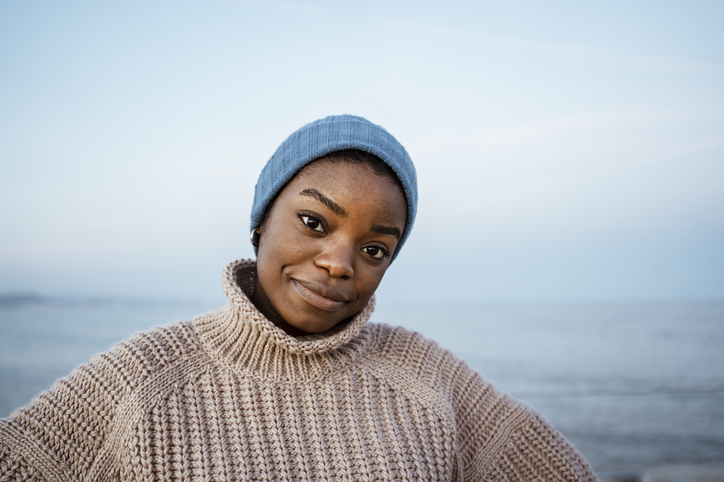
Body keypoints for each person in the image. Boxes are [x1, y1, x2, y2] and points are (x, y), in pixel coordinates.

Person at [0, 115, 598, 481]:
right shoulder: (145, 380)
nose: (339, 261)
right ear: (261, 221)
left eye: (374, 249)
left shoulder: (426, 377)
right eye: (314, 222)